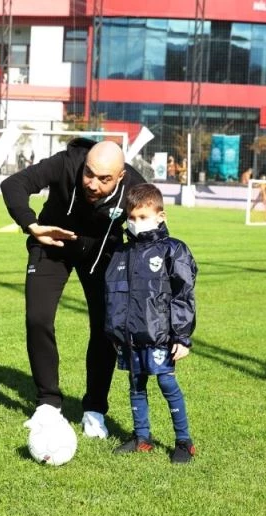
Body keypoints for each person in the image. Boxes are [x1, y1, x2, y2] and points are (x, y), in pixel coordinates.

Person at [0, 138, 146, 438]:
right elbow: (13, 184)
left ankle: (94, 411)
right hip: (52, 243)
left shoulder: (135, 186)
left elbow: (153, 227)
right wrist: (31, 225)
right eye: (89, 174)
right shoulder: (67, 163)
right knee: (38, 318)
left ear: (120, 176)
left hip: (101, 254)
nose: (93, 183)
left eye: (104, 179)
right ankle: (48, 405)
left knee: (105, 328)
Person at [104, 183, 198, 464]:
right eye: (131, 218)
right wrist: (114, 330)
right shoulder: (122, 253)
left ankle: (184, 442)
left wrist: (181, 336)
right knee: (135, 384)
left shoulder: (173, 250)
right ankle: (141, 438)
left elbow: (183, 294)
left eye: (143, 217)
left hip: (160, 336)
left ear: (161, 216)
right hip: (129, 337)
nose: (136, 224)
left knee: (167, 384)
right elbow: (113, 295)